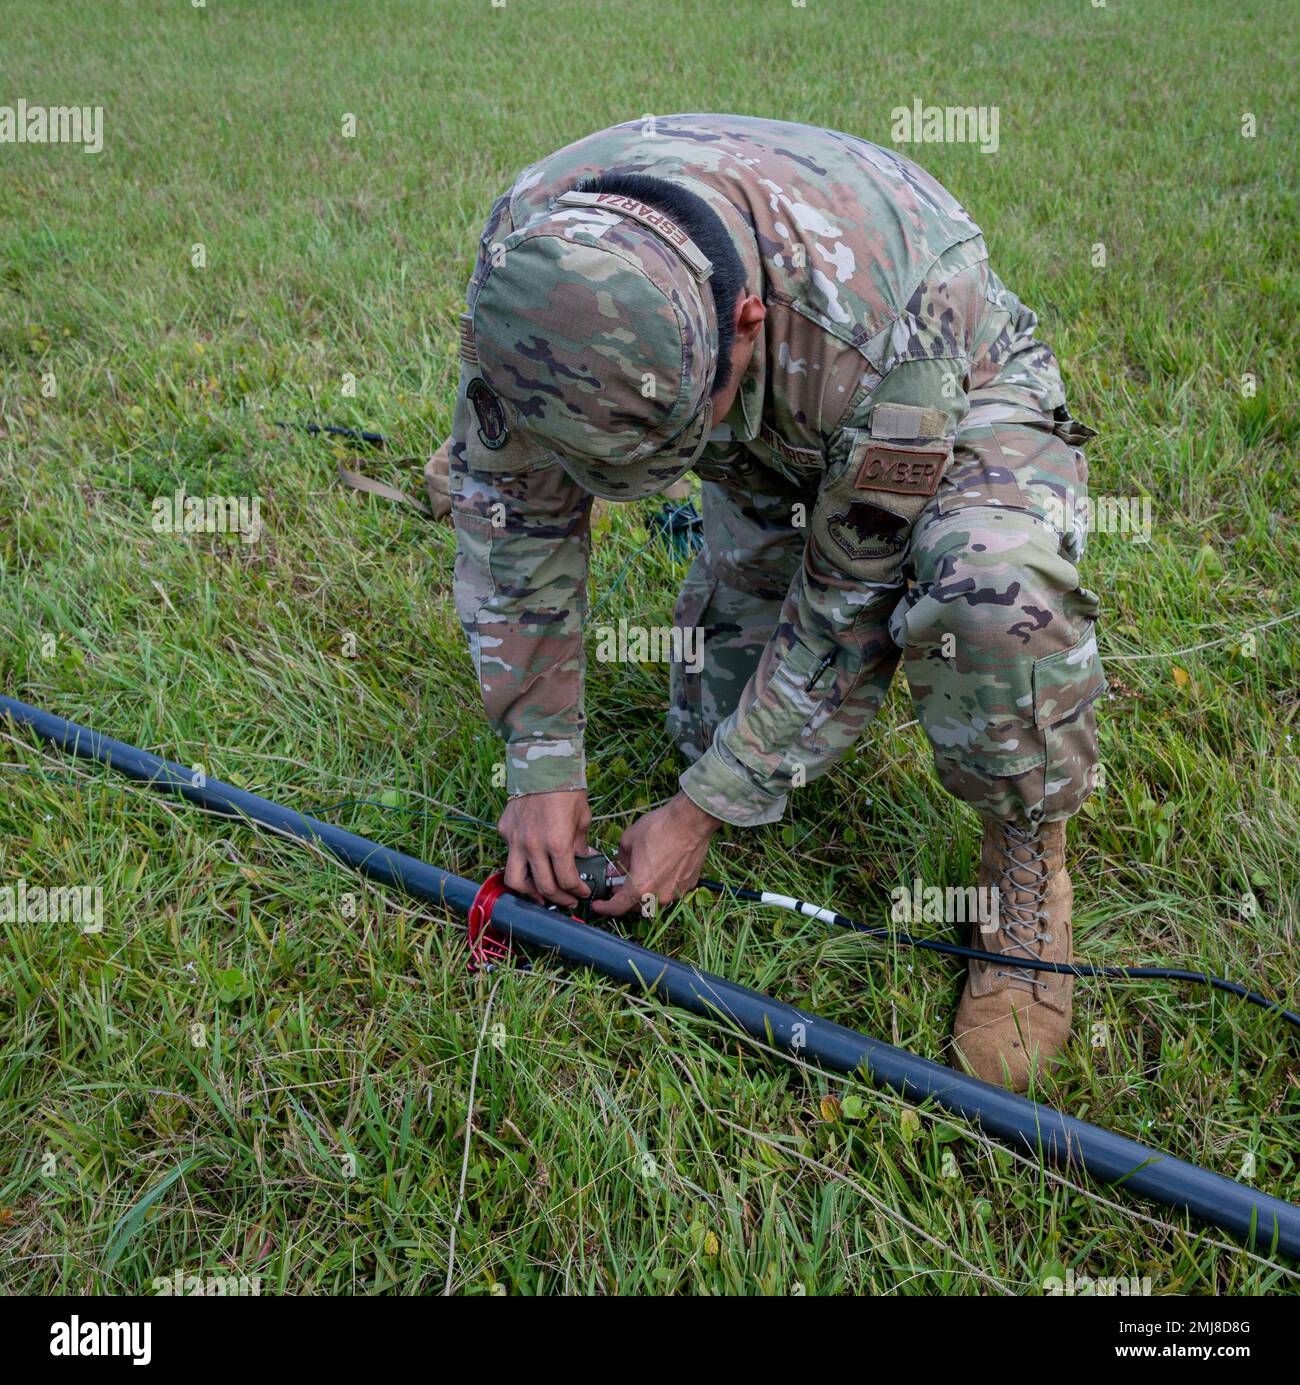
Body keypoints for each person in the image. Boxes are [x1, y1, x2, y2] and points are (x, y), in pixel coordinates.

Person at [445, 115, 1105, 1091]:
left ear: (742, 323)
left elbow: (845, 606)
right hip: (758, 402)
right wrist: (540, 763)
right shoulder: (534, 274)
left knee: (988, 596)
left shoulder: (892, 341)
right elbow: (517, 526)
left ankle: (1023, 855)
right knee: (712, 723)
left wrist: (702, 810)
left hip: (942, 388)